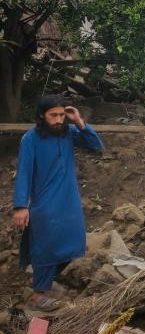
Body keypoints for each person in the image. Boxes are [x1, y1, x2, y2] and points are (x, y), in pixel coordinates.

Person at [12, 95, 103, 312]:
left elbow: (96, 146)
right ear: (42, 116)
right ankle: (38, 295)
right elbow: (24, 172)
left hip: (69, 200)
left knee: (75, 242)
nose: (59, 120)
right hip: (45, 203)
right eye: (53, 115)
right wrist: (21, 206)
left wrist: (78, 121)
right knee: (46, 247)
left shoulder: (68, 132)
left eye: (62, 115)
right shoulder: (30, 139)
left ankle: (40, 277)